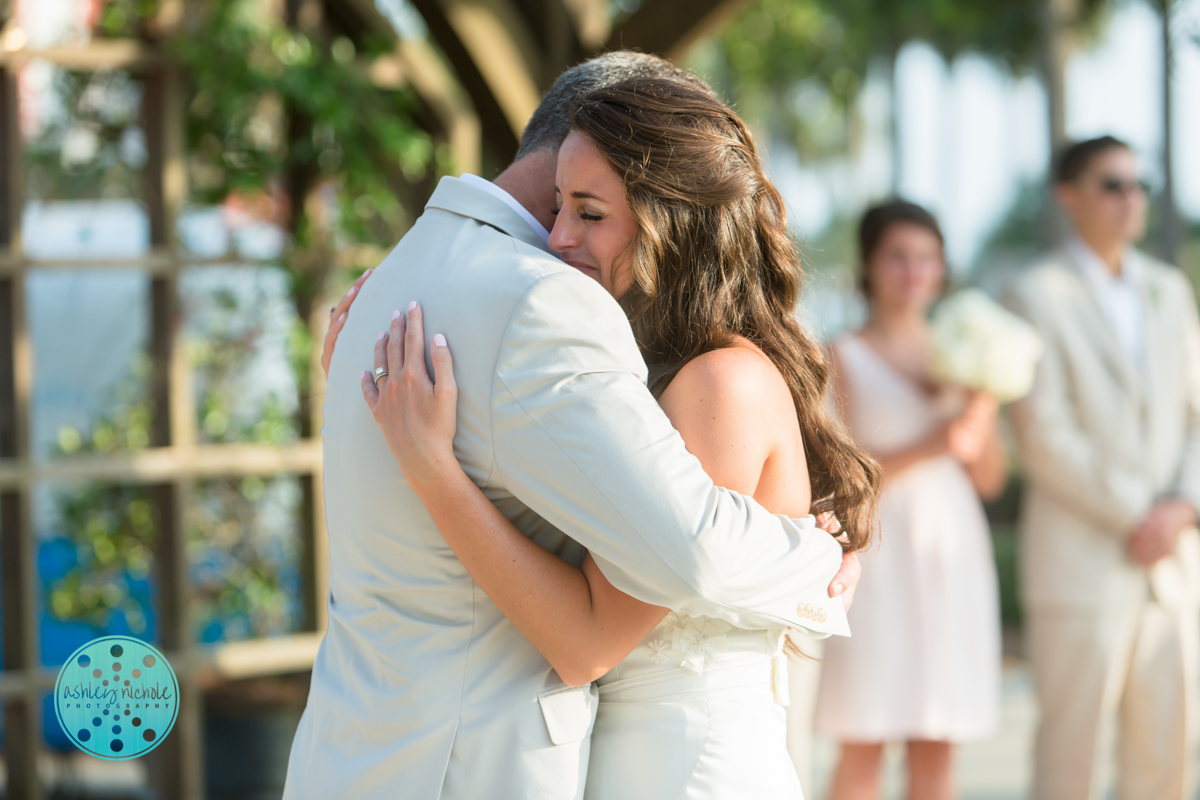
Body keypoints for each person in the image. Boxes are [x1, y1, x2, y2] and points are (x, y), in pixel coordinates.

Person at [284, 53, 864, 800]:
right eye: (560, 204)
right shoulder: (569, 330)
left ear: (672, 217)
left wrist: (821, 564)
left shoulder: (716, 380)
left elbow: (610, 620)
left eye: (588, 212)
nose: (556, 238)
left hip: (681, 769)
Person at [1007, 136, 1200, 800]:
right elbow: (1043, 434)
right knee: (1071, 761)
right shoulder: (1034, 293)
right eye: (1113, 184)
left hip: (1173, 566)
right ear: (1070, 196)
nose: (1131, 198)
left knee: (1166, 758)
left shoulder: (1171, 291)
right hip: (1081, 564)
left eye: (1138, 185)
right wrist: (1140, 514)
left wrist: (1182, 508)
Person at [814, 200, 1006, 800]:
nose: (913, 270)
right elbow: (839, 478)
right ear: (869, 264)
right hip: (881, 550)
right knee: (865, 734)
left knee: (937, 737)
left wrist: (980, 417)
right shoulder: (840, 354)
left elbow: (991, 480)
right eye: (898, 256)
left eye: (926, 257)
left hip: (951, 550)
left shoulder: (966, 355)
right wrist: (933, 443)